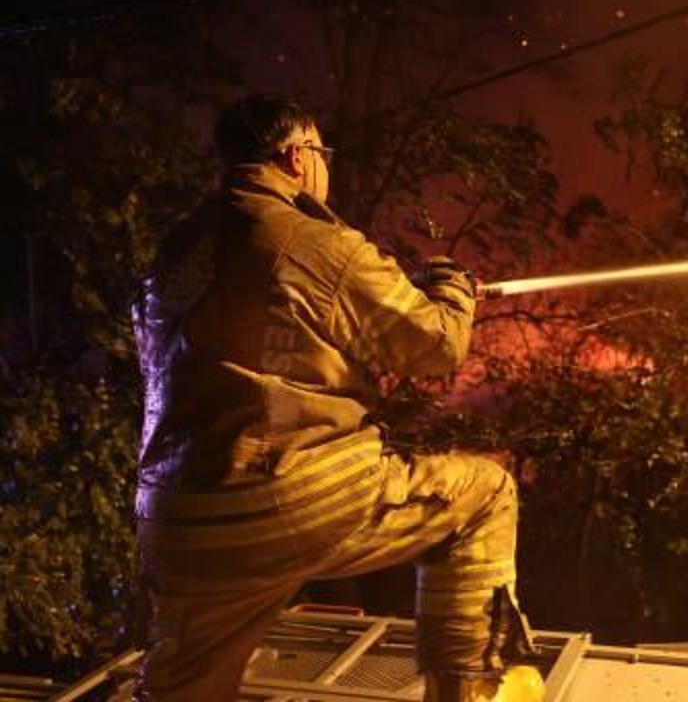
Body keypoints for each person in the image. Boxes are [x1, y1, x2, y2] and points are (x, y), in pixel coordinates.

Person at [130, 94, 541, 701]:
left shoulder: (181, 246)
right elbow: (435, 346)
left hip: (179, 518)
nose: (327, 168)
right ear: (297, 156)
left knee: (183, 691)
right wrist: (452, 290)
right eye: (323, 153)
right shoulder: (315, 241)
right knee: (485, 493)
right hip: (290, 495)